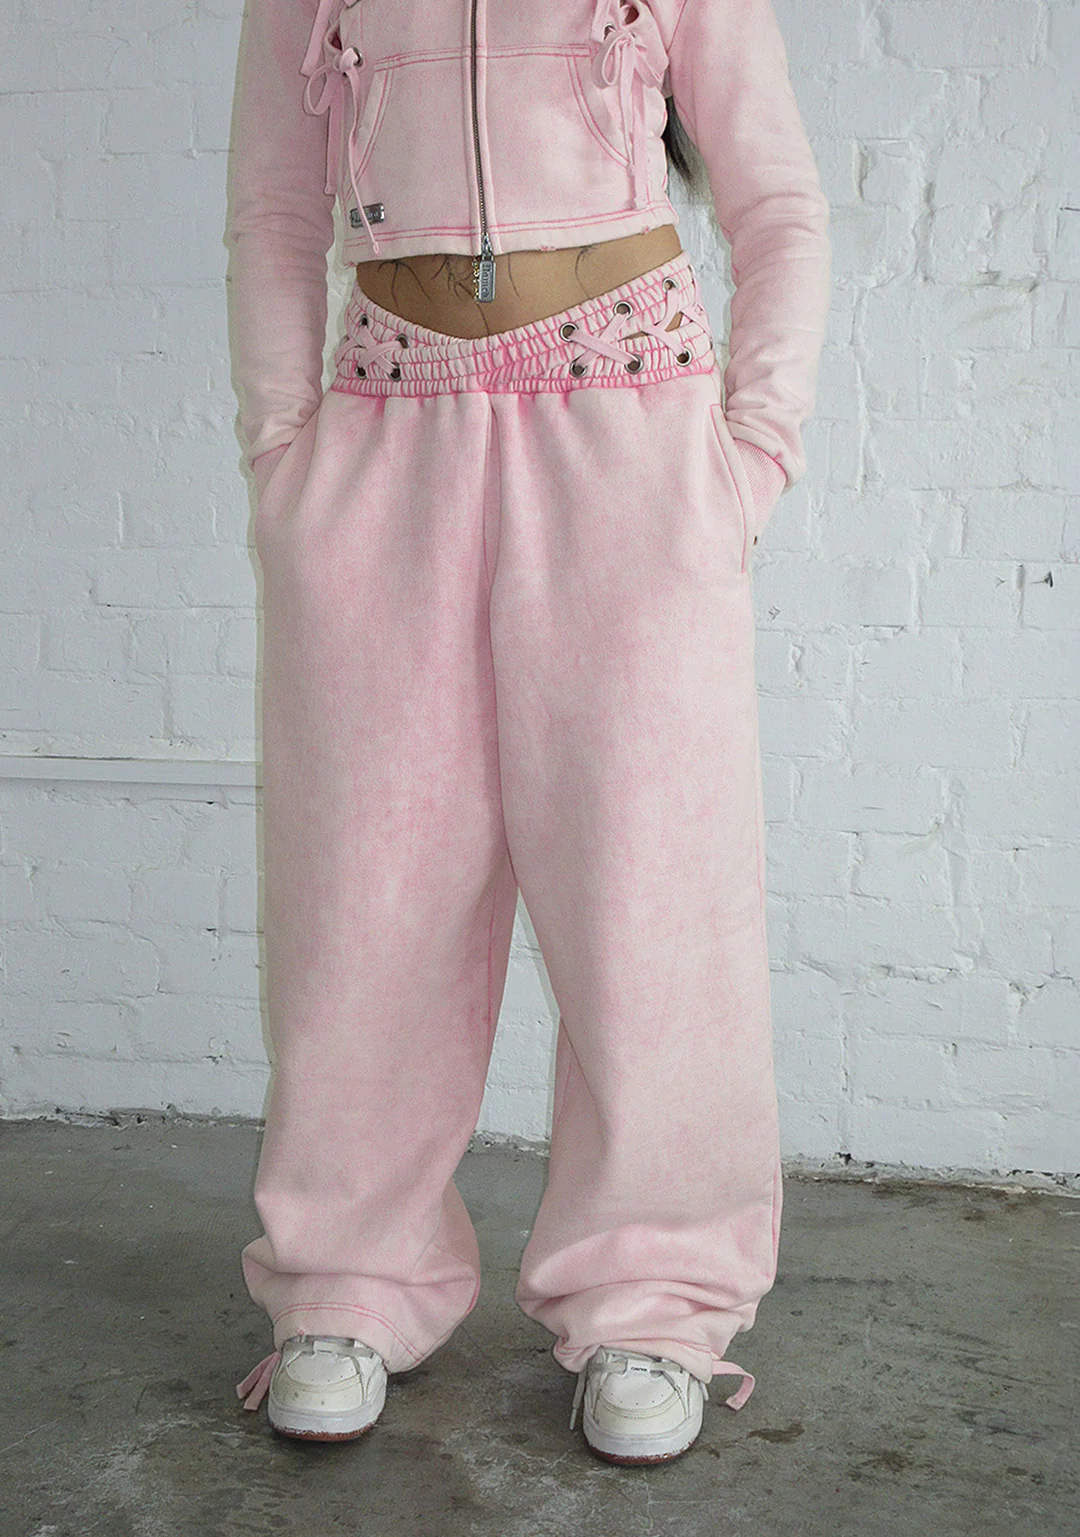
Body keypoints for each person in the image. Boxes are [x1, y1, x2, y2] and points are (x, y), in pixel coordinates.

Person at [227, 0, 830, 1465]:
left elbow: (777, 204)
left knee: (649, 891)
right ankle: (347, 1282)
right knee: (365, 891)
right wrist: (283, 463)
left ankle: (654, 1304)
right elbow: (274, 214)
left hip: (630, 429)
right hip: (387, 429)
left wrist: (750, 460)